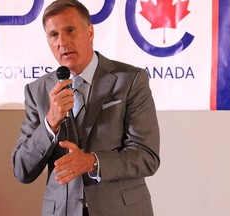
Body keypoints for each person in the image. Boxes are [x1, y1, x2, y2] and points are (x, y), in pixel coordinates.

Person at [12, 0, 160, 216]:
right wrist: (50, 123)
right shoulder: (37, 91)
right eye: (53, 35)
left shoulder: (130, 80)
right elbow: (21, 170)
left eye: (70, 30)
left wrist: (92, 162)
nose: (62, 41)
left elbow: (147, 156)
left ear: (90, 32)